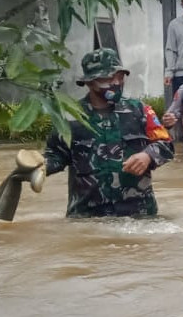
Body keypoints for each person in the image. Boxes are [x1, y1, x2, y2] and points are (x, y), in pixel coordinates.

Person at [43, 48, 175, 218]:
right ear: (90, 82)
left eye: (120, 77)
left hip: (139, 215)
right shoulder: (70, 117)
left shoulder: (140, 110)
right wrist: (38, 166)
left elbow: (167, 144)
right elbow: (55, 155)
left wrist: (148, 155)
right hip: (87, 218)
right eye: (108, 78)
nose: (116, 82)